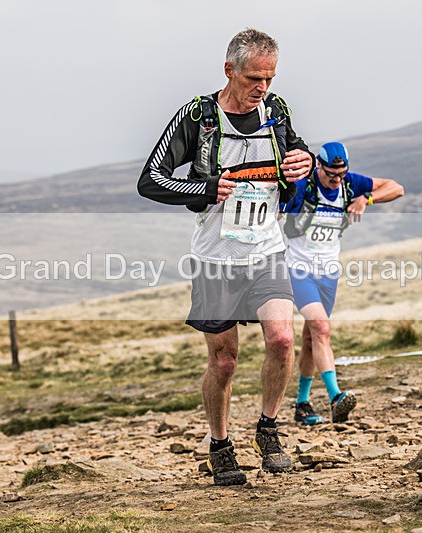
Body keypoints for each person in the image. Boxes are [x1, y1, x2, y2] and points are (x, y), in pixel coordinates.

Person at [138, 29, 314, 486]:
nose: (263, 88)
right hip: (215, 258)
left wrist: (304, 162)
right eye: (255, 77)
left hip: (267, 250)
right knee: (225, 361)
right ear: (229, 70)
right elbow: (150, 179)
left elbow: (297, 153)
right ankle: (219, 446)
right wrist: (205, 188)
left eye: (270, 78)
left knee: (281, 340)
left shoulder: (275, 112)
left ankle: (268, 429)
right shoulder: (199, 117)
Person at [281, 142, 404, 425]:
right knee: (322, 327)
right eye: (331, 174)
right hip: (298, 269)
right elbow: (278, 204)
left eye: (341, 174)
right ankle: (336, 396)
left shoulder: (350, 183)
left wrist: (366, 199)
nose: (336, 180)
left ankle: (302, 405)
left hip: (328, 272)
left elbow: (397, 188)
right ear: (319, 167)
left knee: (312, 337)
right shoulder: (304, 186)